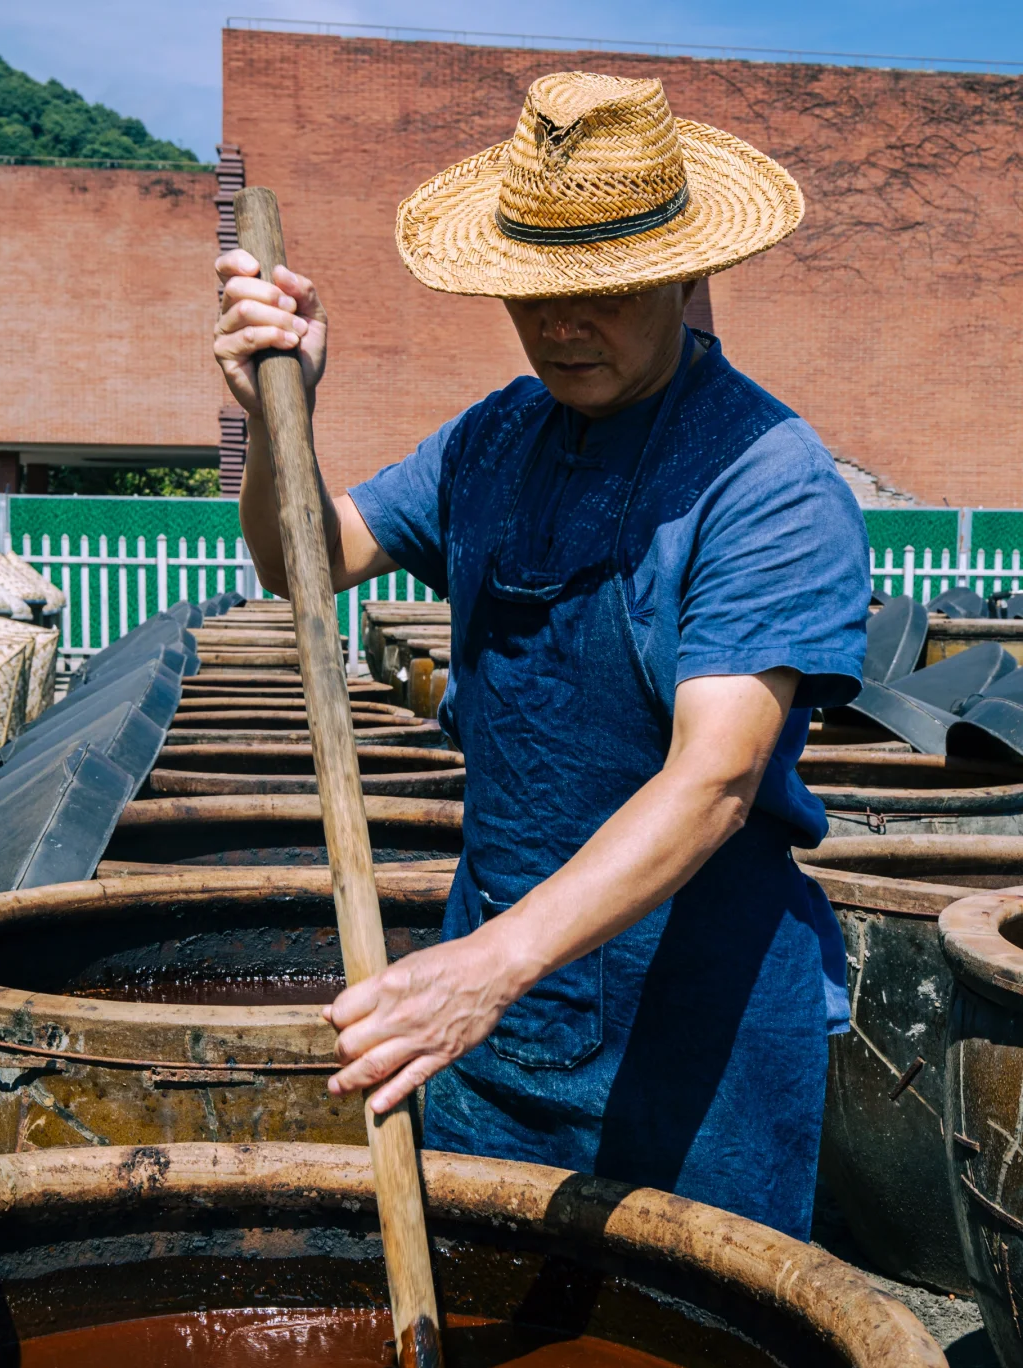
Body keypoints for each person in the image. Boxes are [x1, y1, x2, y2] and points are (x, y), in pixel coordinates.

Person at [214, 71, 869, 1241]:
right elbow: (301, 557)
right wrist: (282, 418)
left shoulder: (768, 479)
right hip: (499, 1024)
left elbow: (715, 779)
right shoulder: (495, 440)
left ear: (678, 270)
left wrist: (486, 968)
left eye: (602, 292)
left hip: (697, 1036)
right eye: (535, 291)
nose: (562, 324)